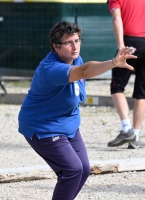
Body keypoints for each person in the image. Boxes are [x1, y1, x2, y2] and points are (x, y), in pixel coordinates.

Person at [18, 21, 137, 200]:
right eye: (69, 43)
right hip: (43, 127)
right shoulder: (51, 69)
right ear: (56, 47)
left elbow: (81, 75)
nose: (75, 46)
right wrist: (113, 62)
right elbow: (86, 71)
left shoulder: (75, 59)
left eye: (77, 40)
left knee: (83, 169)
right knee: (72, 169)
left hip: (69, 124)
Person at [106, 0, 145, 149]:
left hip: (130, 42)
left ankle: (126, 128)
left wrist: (121, 46)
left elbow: (117, 18)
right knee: (141, 93)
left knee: (117, 88)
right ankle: (136, 136)